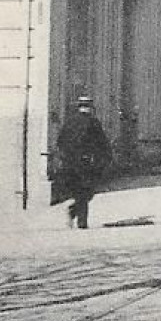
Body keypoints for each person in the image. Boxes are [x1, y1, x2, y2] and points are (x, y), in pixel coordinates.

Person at [56, 96, 111, 228]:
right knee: (87, 191)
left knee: (79, 191)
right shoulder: (93, 122)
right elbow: (102, 142)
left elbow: (60, 141)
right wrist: (105, 157)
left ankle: (75, 212)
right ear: (90, 108)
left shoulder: (70, 122)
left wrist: (65, 157)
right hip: (86, 162)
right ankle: (81, 221)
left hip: (70, 162)